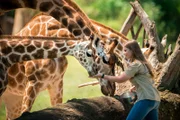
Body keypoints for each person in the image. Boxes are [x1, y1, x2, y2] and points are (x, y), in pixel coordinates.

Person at [91, 40, 160, 120]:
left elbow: (120, 79)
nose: (123, 53)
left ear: (132, 51)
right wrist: (136, 87)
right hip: (155, 100)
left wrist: (102, 75)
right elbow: (147, 80)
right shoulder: (143, 63)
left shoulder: (135, 65)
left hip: (145, 99)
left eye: (125, 50)